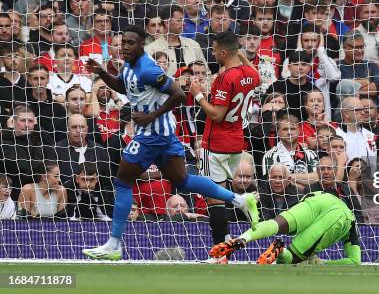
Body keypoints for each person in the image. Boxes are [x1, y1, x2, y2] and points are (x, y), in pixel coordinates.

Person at [81, 25, 259, 260]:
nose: (125, 46)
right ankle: (238, 199)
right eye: (123, 42)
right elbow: (124, 86)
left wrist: (149, 116)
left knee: (123, 181)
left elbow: (178, 94)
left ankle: (114, 244)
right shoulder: (128, 66)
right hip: (160, 134)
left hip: (153, 134)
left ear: (142, 44)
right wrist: (102, 73)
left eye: (131, 43)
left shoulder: (148, 69)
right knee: (182, 181)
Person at [188, 30, 261, 264]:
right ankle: (227, 240)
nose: (212, 53)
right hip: (236, 142)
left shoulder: (224, 78)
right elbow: (255, 72)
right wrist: (239, 52)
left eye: (214, 49)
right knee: (220, 193)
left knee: (213, 198)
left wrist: (198, 95)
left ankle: (219, 253)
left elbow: (217, 115)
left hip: (216, 142)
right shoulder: (251, 74)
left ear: (222, 52)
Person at [209, 191, 360, 266]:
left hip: (316, 198)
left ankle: (243, 238)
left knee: (276, 224)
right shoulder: (350, 223)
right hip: (338, 217)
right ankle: (279, 249)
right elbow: (355, 261)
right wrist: (323, 263)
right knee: (293, 259)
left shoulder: (329, 198)